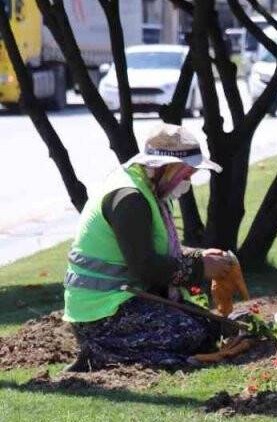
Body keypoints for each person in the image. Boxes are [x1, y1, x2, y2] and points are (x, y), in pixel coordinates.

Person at [63, 125, 237, 371]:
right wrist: (200, 268)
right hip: (101, 312)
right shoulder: (130, 198)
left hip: (122, 300)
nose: (187, 181)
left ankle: (110, 349)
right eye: (185, 173)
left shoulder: (148, 189)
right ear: (163, 167)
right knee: (191, 334)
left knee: (212, 329)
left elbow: (156, 248)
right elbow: (146, 268)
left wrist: (198, 256)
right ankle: (101, 352)